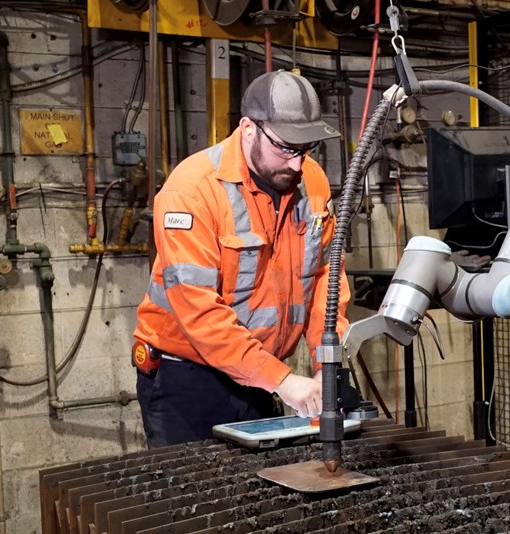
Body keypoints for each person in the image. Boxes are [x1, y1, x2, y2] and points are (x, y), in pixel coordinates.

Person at [131, 70, 350, 448]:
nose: (297, 164)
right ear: (249, 128)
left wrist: (324, 366)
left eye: (305, 149)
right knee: (195, 500)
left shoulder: (311, 182)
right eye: (285, 148)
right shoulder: (192, 190)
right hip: (186, 380)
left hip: (258, 376)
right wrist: (282, 381)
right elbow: (199, 312)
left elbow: (325, 283)